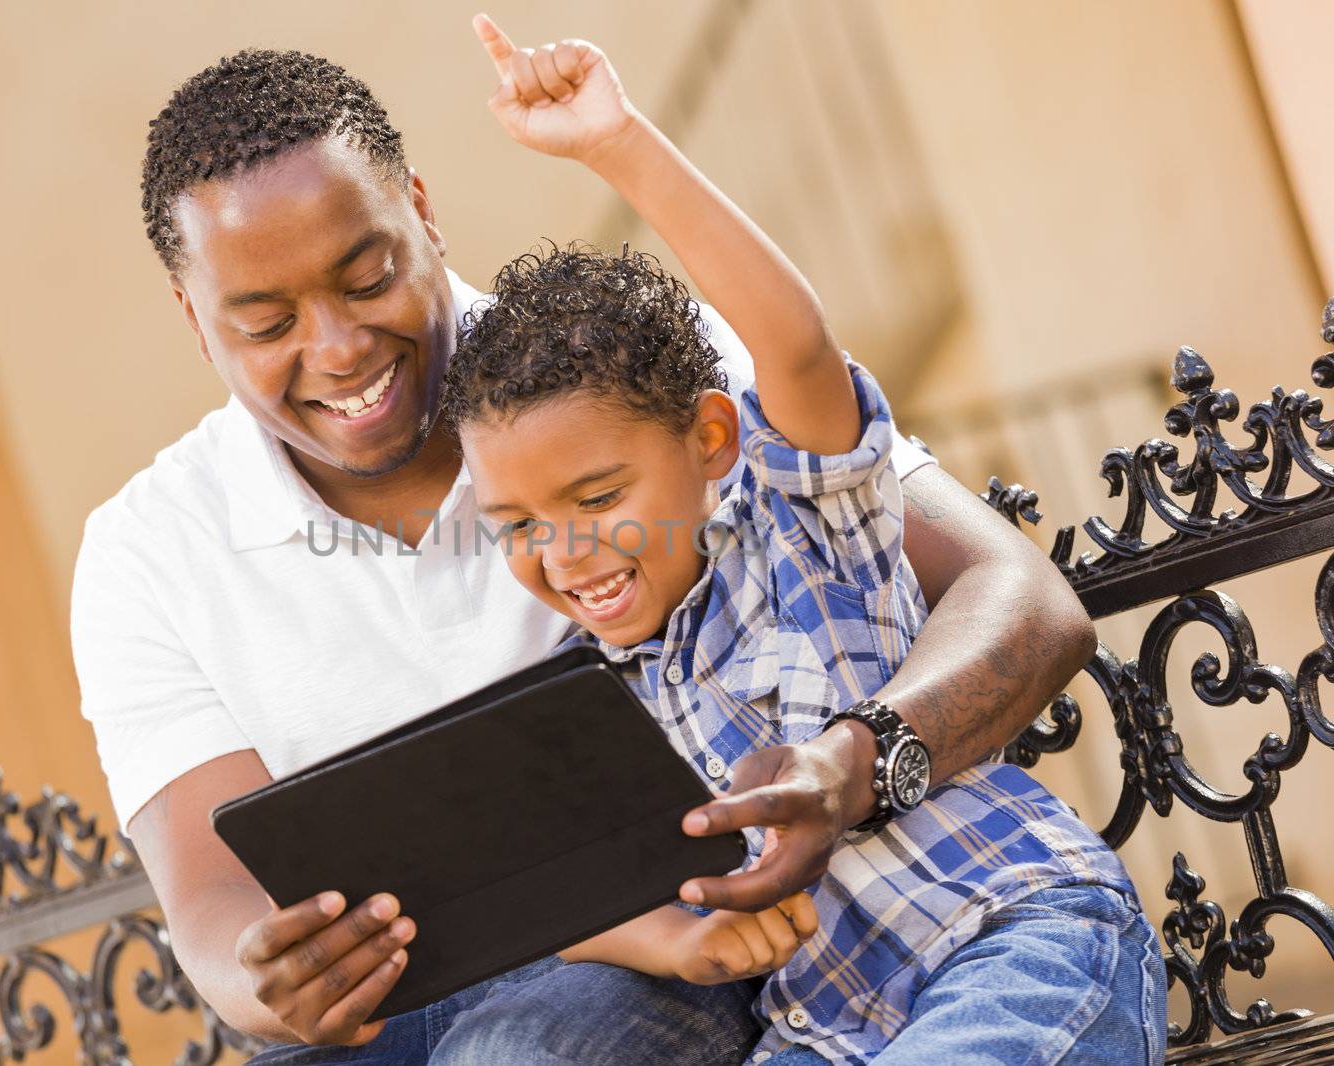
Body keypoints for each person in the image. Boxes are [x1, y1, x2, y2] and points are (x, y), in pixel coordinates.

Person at [69, 16, 1109, 1064]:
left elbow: (1017, 593)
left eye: (365, 276)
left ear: (421, 212)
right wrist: (262, 974)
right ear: (195, 321)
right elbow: (209, 902)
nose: (337, 349)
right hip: (433, 1002)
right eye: (263, 323)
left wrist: (857, 758)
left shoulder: (625, 376)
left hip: (703, 969)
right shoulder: (143, 552)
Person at [434, 17, 1166, 1065]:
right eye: (517, 526)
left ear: (711, 438)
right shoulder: (583, 695)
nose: (565, 551)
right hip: (818, 1033)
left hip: (1007, 942)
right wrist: (679, 942)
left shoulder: (800, 522)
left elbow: (794, 341)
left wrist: (617, 144)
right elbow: (549, 896)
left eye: (597, 496)